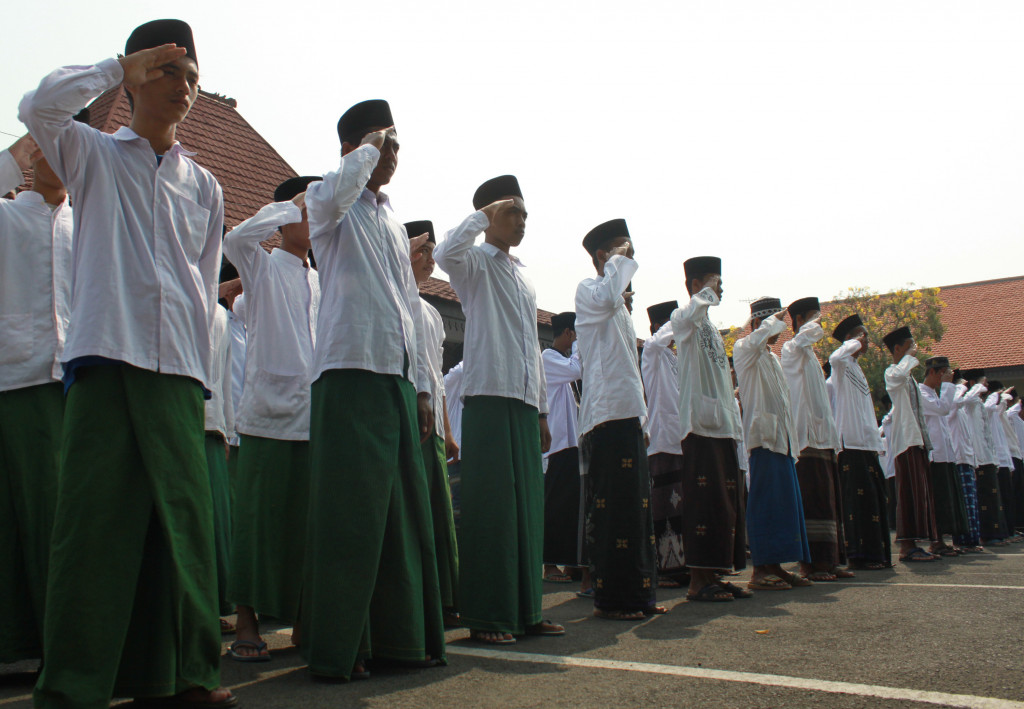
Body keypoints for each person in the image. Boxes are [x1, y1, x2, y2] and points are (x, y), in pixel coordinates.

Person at [20, 20, 235, 707]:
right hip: (106, 359)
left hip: (176, 372)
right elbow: (38, 107)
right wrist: (117, 65)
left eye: (193, 78)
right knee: (93, 524)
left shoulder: (204, 185)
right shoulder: (92, 154)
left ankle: (184, 674)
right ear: (140, 77)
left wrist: (200, 374)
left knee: (182, 527)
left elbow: (203, 287)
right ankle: (75, 683)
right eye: (170, 72)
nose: (184, 88)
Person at [301, 100, 445, 680]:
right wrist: (365, 147)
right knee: (351, 514)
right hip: (349, 368)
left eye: (395, 145)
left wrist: (423, 388)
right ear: (352, 149)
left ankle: (399, 639)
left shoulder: (388, 218)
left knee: (400, 514)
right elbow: (335, 194)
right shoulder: (325, 201)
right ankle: (343, 645)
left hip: (394, 376)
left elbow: (408, 307)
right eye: (383, 143)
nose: (391, 154)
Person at [434, 174, 563, 643]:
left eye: (525, 215)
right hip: (488, 395)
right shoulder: (474, 263)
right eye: (513, 213)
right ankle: (488, 615)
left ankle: (527, 610)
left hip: (525, 401)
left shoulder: (522, 278)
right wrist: (480, 218)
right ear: (490, 215)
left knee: (526, 508)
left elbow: (532, 347)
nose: (522, 223)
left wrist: (544, 411)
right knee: (492, 508)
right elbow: (444, 253)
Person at [222, 175, 322, 661]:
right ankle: (247, 619)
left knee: (307, 525)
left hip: (315, 419)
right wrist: (287, 207)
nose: (314, 217)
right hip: (266, 414)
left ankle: (305, 615)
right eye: (309, 209)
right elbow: (235, 239)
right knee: (258, 523)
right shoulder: (261, 267)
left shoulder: (323, 280)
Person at [0, 123, 80, 664]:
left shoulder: (89, 221)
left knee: (73, 515)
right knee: (21, 514)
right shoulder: (6, 216)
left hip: (80, 376)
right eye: (47, 147)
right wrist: (12, 154)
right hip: (17, 376)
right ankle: (22, 641)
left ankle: (78, 641)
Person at [575, 219, 661, 620]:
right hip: (606, 416)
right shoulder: (591, 291)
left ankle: (640, 594)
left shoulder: (620, 305)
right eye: (622, 249)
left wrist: (643, 422)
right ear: (602, 256)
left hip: (628, 415)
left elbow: (630, 369)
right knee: (614, 510)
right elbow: (610, 293)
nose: (631, 257)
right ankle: (614, 599)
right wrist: (616, 262)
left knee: (638, 508)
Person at [671, 256, 748, 602]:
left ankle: (716, 573)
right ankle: (698, 581)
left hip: (722, 425)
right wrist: (703, 292)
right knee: (703, 502)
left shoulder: (712, 329)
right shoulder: (683, 319)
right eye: (716, 281)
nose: (721, 288)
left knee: (723, 502)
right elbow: (690, 313)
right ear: (695, 284)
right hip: (700, 424)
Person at [734, 298, 812, 590]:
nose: (776, 332)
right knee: (766, 504)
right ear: (756, 324)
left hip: (783, 441)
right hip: (763, 439)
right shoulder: (744, 349)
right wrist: (773, 320)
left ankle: (776, 567)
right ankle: (760, 572)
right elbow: (755, 340)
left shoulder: (772, 358)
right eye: (771, 325)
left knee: (783, 506)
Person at [405, 219, 461, 626]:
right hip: (406, 417)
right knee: (413, 514)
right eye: (421, 251)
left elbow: (437, 376)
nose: (428, 260)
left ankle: (443, 600)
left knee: (438, 514)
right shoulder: (395, 299)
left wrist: (447, 427)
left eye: (431, 253)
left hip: (434, 427)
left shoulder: (430, 312)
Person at [780, 297, 849, 581]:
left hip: (822, 435)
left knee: (828, 501)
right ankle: (809, 564)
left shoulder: (810, 354)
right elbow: (807, 335)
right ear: (797, 321)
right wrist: (812, 325)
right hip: (805, 436)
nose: (817, 322)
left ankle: (830, 561)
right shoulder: (791, 348)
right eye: (810, 317)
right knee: (811, 502)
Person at [829, 314, 891, 569]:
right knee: (859, 502)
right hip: (851, 443)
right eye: (862, 335)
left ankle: (877, 554)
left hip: (867, 442)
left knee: (875, 500)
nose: (866, 341)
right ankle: (859, 556)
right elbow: (836, 357)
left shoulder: (857, 368)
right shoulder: (840, 367)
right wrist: (853, 341)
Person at [882, 326, 942, 563]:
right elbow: (896, 377)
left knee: (920, 493)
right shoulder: (892, 372)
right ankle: (907, 546)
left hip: (916, 440)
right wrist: (908, 359)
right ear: (897, 349)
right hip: (905, 441)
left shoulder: (909, 377)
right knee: (907, 493)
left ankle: (915, 543)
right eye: (910, 346)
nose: (914, 351)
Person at [642, 300, 689, 589]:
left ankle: (683, 564)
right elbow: (659, 341)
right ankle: (668, 567)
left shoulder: (674, 358)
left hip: (680, 438)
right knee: (665, 506)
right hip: (661, 440)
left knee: (682, 505)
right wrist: (680, 318)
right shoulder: (652, 350)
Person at [540, 311, 587, 590]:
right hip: (555, 445)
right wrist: (583, 345)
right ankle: (549, 563)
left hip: (570, 444)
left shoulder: (561, 359)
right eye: (577, 334)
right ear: (568, 333)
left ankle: (570, 561)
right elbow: (577, 369)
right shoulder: (549, 358)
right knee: (554, 505)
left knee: (570, 506)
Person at [918, 357, 970, 555]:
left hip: (946, 454)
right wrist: (949, 386)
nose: (944, 379)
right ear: (932, 372)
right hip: (935, 455)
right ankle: (935, 540)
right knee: (937, 500)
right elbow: (943, 409)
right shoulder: (922, 393)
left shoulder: (934, 393)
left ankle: (941, 541)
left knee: (947, 499)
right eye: (942, 374)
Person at [205, 297, 235, 633]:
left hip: (213, 426)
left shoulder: (220, 315)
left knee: (213, 523)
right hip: (185, 418)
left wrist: (226, 426)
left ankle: (211, 606)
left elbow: (225, 377)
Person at [945, 370, 986, 552]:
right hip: (959, 458)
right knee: (964, 504)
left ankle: (972, 540)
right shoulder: (951, 406)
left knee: (972, 503)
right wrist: (963, 385)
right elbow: (957, 400)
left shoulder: (961, 409)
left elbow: (965, 400)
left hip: (967, 458)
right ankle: (963, 540)